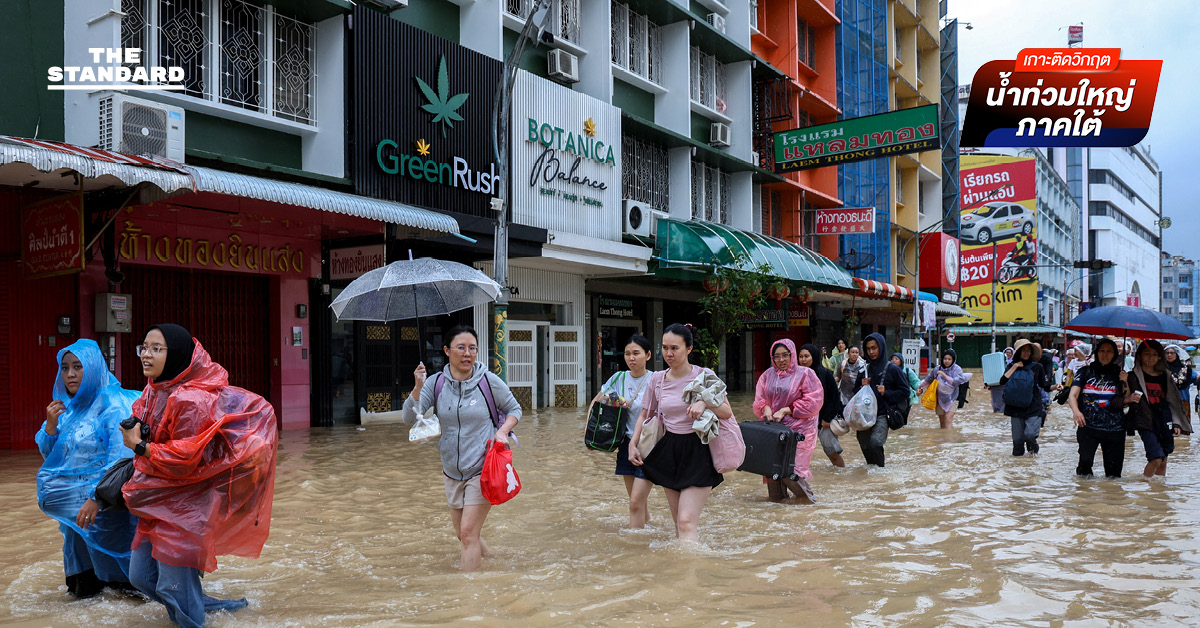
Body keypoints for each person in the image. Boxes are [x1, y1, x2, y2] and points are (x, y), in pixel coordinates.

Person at [122, 324, 277, 627]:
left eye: (157, 348)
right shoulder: (154, 389)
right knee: (141, 577)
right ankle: (203, 605)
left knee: (171, 585)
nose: (146, 354)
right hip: (157, 499)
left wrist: (140, 446)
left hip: (186, 506)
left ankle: (193, 616)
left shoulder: (192, 399)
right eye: (144, 347)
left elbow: (184, 459)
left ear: (176, 354)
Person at [404, 325, 522, 571]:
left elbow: (515, 409)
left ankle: (470, 595)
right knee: (464, 534)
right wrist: (417, 387)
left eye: (472, 348)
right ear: (447, 351)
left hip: (483, 468)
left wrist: (502, 432)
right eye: (461, 348)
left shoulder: (488, 381)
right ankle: (495, 563)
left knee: (468, 533)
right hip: (451, 471)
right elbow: (409, 418)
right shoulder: (435, 384)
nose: (467, 353)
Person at [35, 339, 140, 598]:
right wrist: (50, 428)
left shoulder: (113, 405)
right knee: (84, 595)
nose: (70, 374)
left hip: (106, 510)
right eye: (65, 367)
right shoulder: (69, 410)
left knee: (124, 596)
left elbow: (122, 458)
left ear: (92, 368)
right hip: (75, 517)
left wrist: (96, 497)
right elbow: (54, 460)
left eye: (78, 367)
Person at [628, 324, 732, 542]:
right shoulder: (657, 379)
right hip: (669, 450)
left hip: (699, 450)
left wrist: (704, 402)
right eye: (665, 348)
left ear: (689, 349)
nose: (669, 353)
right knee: (678, 522)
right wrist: (633, 443)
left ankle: (690, 572)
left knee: (686, 521)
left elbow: (726, 412)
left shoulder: (705, 375)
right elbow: (644, 415)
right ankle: (680, 572)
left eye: (675, 348)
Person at [588, 334, 656, 528]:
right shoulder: (618, 377)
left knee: (635, 502)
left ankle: (635, 545)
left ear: (648, 355)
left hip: (649, 444)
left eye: (636, 353)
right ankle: (650, 529)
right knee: (637, 500)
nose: (631, 358)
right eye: (627, 353)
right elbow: (596, 402)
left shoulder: (656, 380)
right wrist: (589, 435)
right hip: (626, 443)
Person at [752, 339, 823, 503]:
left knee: (790, 470)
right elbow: (759, 399)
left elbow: (814, 401)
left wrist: (787, 409)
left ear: (792, 355)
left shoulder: (805, 374)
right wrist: (766, 408)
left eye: (785, 355)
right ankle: (777, 509)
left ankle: (809, 502)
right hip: (773, 430)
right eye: (776, 356)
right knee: (771, 469)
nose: (781, 360)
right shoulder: (767, 375)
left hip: (799, 431)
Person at [1124, 340, 1193, 478]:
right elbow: (1125, 400)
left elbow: (1172, 401)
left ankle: (1158, 491)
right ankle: (1144, 487)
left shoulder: (1165, 376)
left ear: (1159, 357)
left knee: (1163, 459)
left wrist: (1176, 422)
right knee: (1156, 457)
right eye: (1147, 354)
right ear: (1139, 356)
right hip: (1145, 421)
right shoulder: (1132, 376)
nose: (1151, 357)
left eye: (1155, 354)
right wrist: (1124, 381)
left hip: (1164, 419)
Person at [1067, 339, 1127, 478]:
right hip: (1088, 426)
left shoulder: (1120, 373)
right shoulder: (1085, 371)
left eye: (1109, 351)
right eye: (1102, 351)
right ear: (1096, 352)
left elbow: (1127, 398)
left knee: (1113, 474)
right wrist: (1076, 412)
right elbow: (1073, 395)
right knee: (1084, 466)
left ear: (1115, 354)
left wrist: (1125, 380)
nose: (1105, 355)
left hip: (1115, 428)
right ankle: (1085, 497)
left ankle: (1111, 499)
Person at [853, 333, 909, 467]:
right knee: (864, 443)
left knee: (876, 442)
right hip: (864, 414)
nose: (871, 352)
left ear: (881, 347)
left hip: (883, 414)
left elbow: (905, 392)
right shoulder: (864, 369)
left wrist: (886, 393)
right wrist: (862, 386)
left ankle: (879, 471)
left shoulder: (893, 369)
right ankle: (872, 471)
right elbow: (854, 391)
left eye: (874, 348)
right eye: (868, 349)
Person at [998, 339, 1053, 456]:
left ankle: (1033, 456)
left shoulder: (1037, 367)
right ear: (1018, 352)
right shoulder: (1011, 366)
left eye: (1029, 351)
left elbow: (1045, 386)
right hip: (1015, 407)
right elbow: (1002, 380)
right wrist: (1015, 366)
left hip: (1033, 406)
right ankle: (1019, 468)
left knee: (1029, 435)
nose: (1026, 353)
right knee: (1017, 441)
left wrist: (1057, 387)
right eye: (1024, 350)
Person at [800, 344, 845, 468]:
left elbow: (835, 397)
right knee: (800, 454)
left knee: (832, 452)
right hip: (804, 422)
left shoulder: (825, 374)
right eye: (801, 357)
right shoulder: (797, 376)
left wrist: (827, 418)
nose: (803, 360)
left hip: (824, 422)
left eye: (806, 356)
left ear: (814, 357)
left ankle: (841, 476)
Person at [918, 348, 971, 429]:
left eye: (949, 359)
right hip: (940, 398)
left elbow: (955, 382)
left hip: (953, 398)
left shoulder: (957, 369)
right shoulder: (937, 368)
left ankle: (949, 440)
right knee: (942, 422)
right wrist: (920, 387)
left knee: (948, 419)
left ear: (953, 360)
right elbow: (928, 380)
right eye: (945, 359)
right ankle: (943, 439)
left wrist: (944, 375)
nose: (947, 361)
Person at [1164, 344, 1196, 419]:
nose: (1169, 355)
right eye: (1167, 353)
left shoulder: (1186, 370)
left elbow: (1196, 378)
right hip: (1167, 402)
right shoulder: (1162, 369)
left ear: (1177, 354)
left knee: (1184, 425)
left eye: (1172, 353)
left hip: (1183, 401)